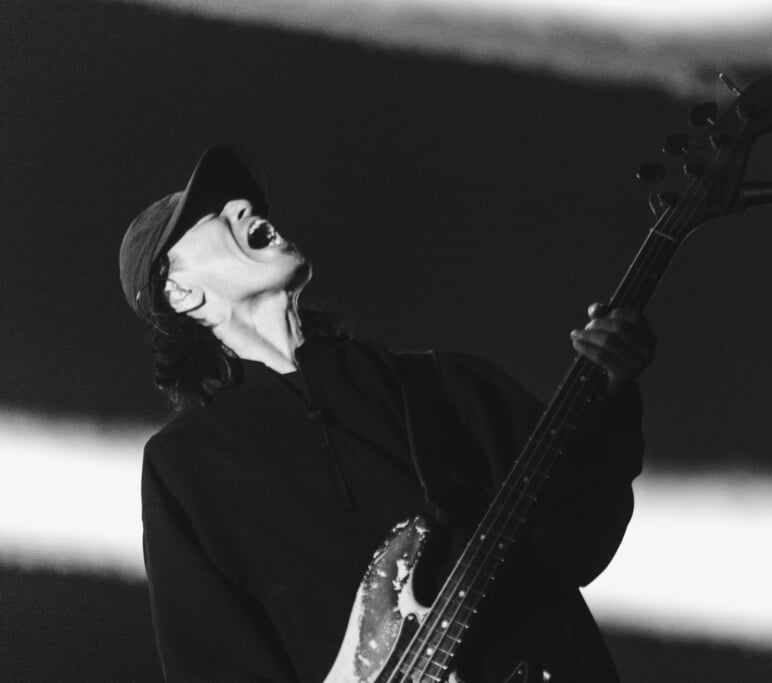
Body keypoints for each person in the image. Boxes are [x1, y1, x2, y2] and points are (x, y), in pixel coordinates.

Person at [120, 145, 655, 682]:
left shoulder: (439, 385)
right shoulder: (187, 465)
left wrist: (610, 397)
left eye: (238, 199)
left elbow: (574, 542)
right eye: (209, 214)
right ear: (180, 292)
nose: (242, 205)